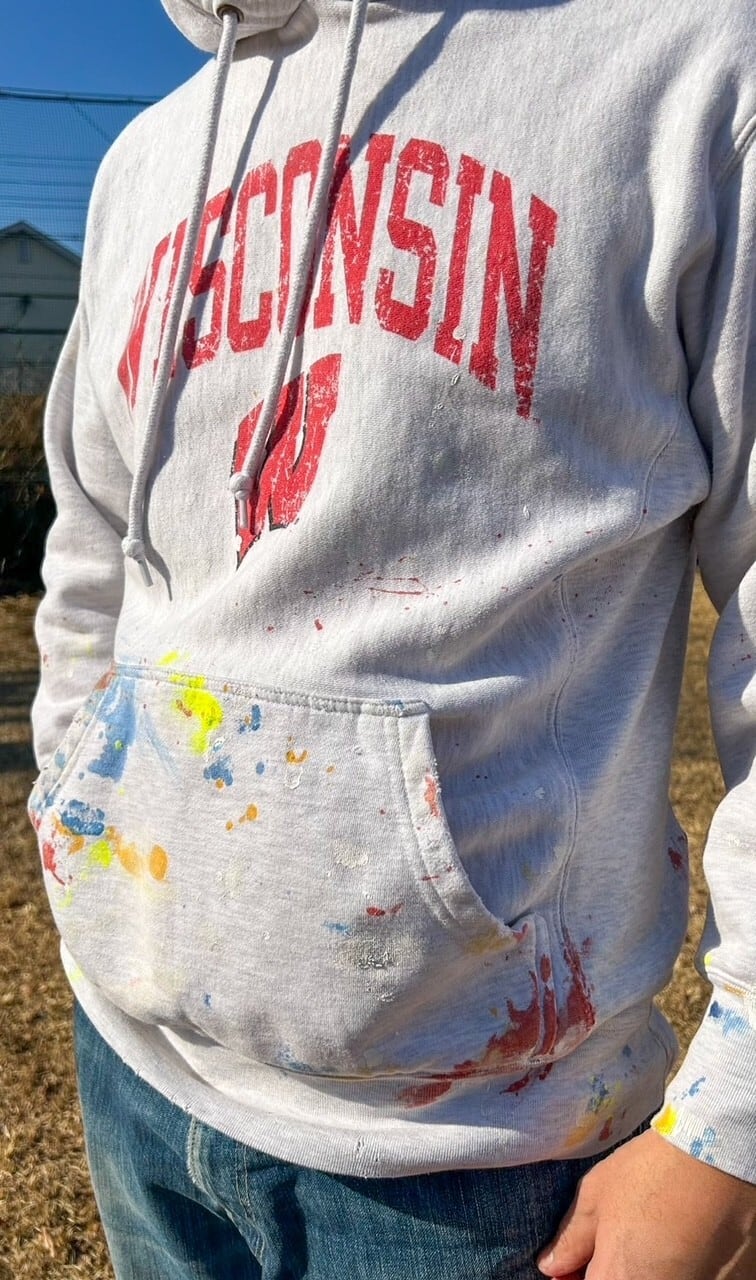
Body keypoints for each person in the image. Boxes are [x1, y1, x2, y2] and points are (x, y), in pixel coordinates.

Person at [30, 1, 756, 1276]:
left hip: (487, 1159)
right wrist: (71, 816)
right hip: (134, 1066)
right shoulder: (144, 159)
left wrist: (730, 1131)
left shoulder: (692, 64)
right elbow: (93, 554)